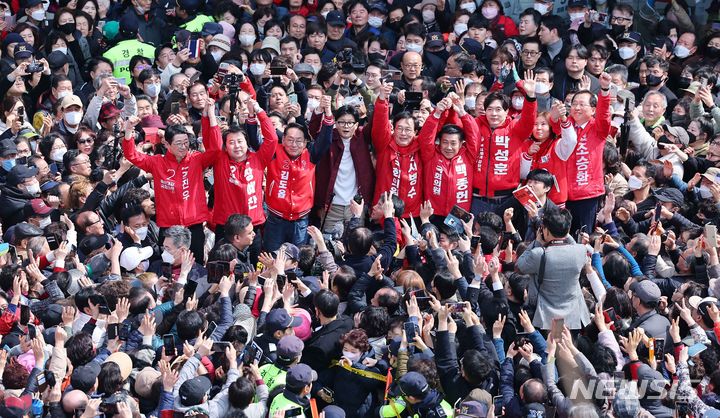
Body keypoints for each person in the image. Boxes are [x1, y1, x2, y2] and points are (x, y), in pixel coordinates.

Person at [122, 116, 213, 263]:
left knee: (196, 268)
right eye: (178, 143)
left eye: (186, 142)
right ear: (167, 144)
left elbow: (215, 150)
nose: (184, 147)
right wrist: (128, 130)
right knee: (167, 267)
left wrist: (210, 117)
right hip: (168, 226)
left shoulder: (196, 159)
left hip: (193, 226)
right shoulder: (157, 162)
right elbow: (131, 155)